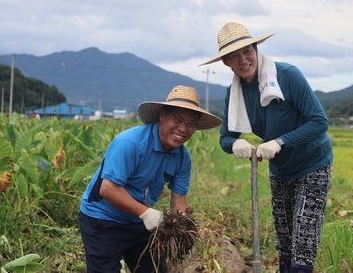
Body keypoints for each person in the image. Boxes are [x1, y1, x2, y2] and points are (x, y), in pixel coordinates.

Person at [200, 22, 333, 273]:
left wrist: (281, 141)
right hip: (281, 170)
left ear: (256, 49)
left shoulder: (287, 76)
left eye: (247, 51)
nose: (243, 60)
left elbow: (319, 122)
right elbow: (225, 137)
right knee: (285, 239)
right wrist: (236, 143)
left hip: (312, 164)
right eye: (234, 56)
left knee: (304, 238)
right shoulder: (236, 92)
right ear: (226, 62)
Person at [78, 85, 221, 273]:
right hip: (103, 218)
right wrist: (146, 213)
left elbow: (178, 200)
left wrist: (186, 227)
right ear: (162, 115)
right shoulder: (130, 143)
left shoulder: (182, 158)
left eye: (191, 124)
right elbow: (108, 189)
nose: (183, 129)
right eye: (178, 119)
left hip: (138, 221)